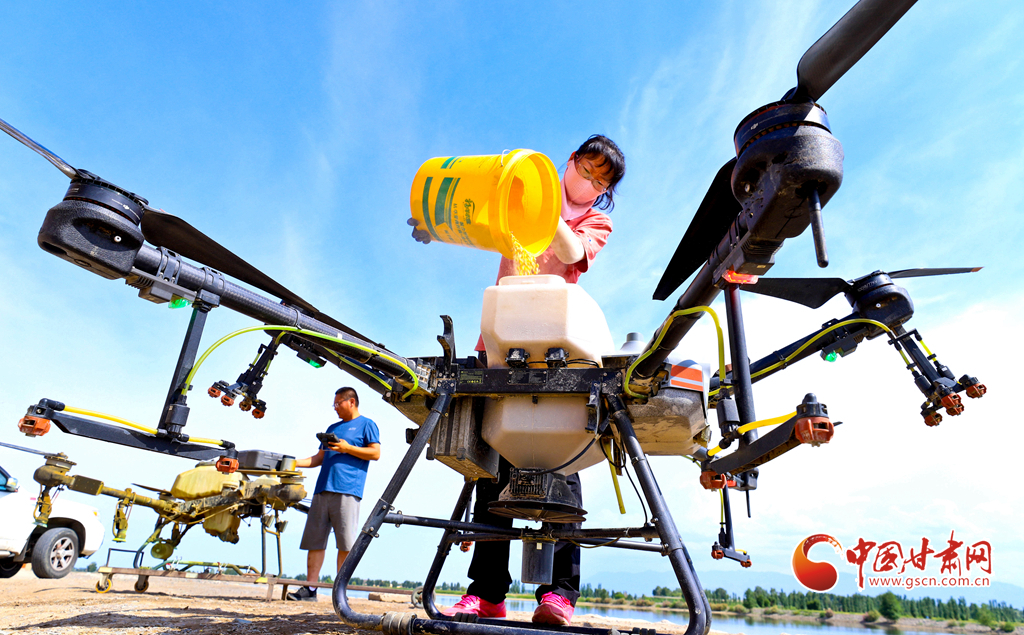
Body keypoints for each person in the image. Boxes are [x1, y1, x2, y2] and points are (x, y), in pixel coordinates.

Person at [413, 135, 626, 625]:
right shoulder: (525, 191)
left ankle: (560, 594)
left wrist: (544, 209)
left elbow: (572, 253)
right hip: (502, 340)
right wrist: (435, 224)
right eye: (587, 169)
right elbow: (477, 216)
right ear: (570, 161)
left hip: (557, 347)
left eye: (601, 181)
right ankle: (487, 593)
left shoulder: (595, 220)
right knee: (493, 467)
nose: (590, 183)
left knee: (563, 461)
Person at [286, 387, 381, 602]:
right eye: (334, 404)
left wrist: (347, 448)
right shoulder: (333, 428)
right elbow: (318, 458)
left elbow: (375, 453)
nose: (335, 408)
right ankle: (310, 589)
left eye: (338, 403)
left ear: (352, 402)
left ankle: (340, 592)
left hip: (348, 490)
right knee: (315, 541)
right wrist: (291, 463)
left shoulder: (367, 424)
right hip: (322, 489)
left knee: (345, 543)